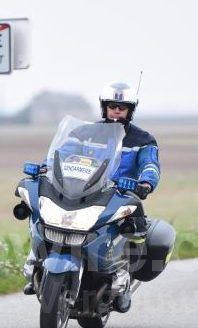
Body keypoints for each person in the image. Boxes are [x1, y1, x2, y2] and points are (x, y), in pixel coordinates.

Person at [22, 81, 161, 295]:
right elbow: (61, 153)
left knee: (133, 227)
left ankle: (124, 273)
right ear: (104, 107)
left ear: (130, 110)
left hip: (119, 193)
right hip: (84, 190)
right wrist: (45, 168)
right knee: (41, 211)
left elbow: (150, 165)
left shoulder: (142, 140)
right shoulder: (85, 132)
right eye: (111, 105)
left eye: (122, 107)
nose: (116, 110)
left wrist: (145, 183)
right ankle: (35, 258)